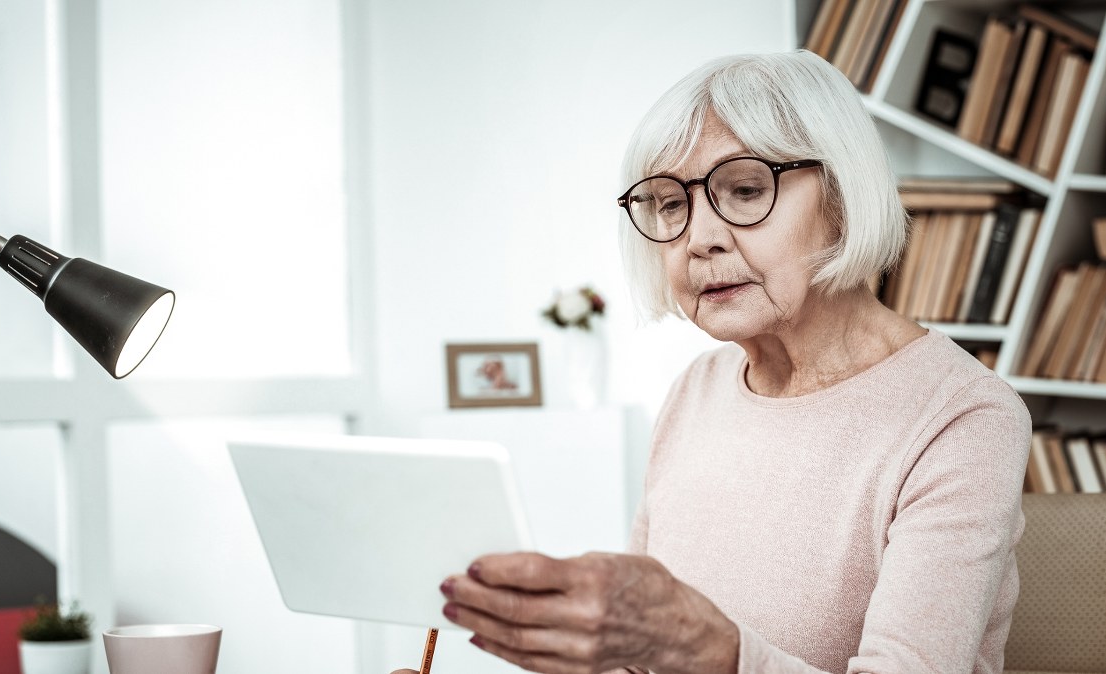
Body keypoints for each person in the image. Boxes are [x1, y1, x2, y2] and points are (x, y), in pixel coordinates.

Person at [393, 50, 1031, 674]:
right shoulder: (697, 389)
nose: (699, 240)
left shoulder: (964, 417)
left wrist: (699, 645)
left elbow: (678, 645)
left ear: (843, 197)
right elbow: (640, 659)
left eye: (746, 189)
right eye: (671, 204)